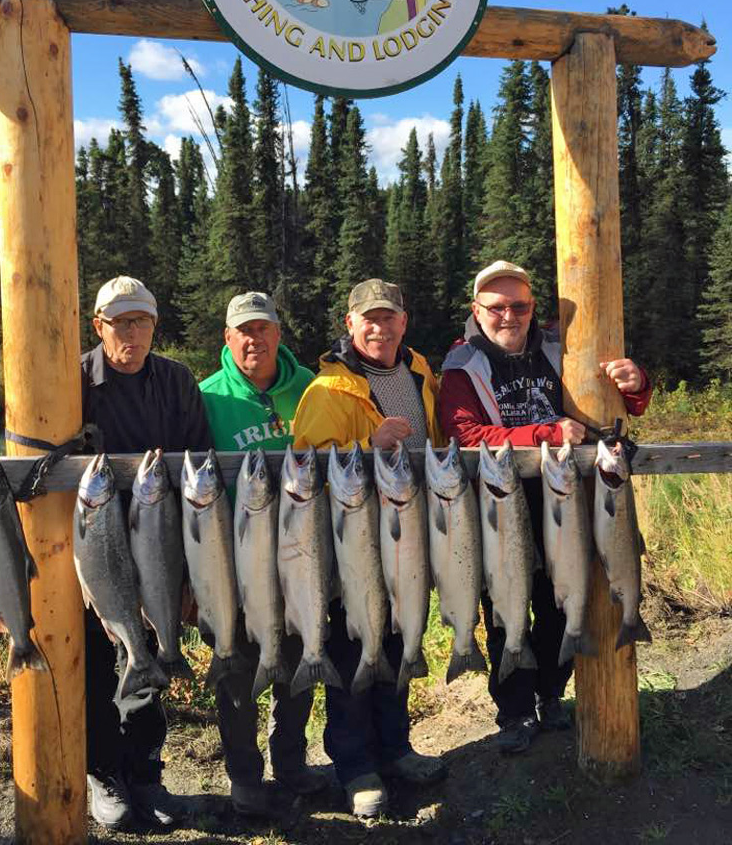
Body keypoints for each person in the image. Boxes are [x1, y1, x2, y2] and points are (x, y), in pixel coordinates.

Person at [439, 260, 652, 754]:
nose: (509, 316)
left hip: (567, 499)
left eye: (520, 306)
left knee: (562, 599)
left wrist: (636, 381)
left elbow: (623, 407)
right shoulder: (461, 363)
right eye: (497, 307)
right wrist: (543, 433)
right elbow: (463, 435)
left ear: (533, 308)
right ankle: (513, 712)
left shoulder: (564, 346)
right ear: (476, 310)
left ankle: (551, 696)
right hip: (499, 501)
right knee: (503, 606)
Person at [293, 278, 447, 819]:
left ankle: (397, 750)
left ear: (403, 321)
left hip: (411, 530)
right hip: (351, 540)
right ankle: (357, 767)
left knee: (402, 636)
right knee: (354, 646)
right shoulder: (326, 390)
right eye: (369, 319)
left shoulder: (421, 370)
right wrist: (367, 446)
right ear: (350, 324)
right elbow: (305, 466)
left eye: (389, 317)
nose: (379, 327)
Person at [81, 276, 213, 830]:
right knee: (92, 656)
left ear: (154, 327)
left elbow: (200, 460)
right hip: (91, 540)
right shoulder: (71, 380)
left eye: (141, 322)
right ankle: (102, 774)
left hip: (160, 538)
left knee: (154, 647)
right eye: (119, 322)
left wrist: (190, 569)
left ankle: (146, 772)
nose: (131, 333)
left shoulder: (177, 379)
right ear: (99, 326)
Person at [199, 291, 326, 815]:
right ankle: (245, 777)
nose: (255, 339)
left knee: (298, 658)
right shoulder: (206, 395)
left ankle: (291, 764)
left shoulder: (313, 391)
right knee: (236, 669)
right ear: (229, 339)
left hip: (305, 555)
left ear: (279, 333)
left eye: (264, 328)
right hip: (234, 560)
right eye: (243, 331)